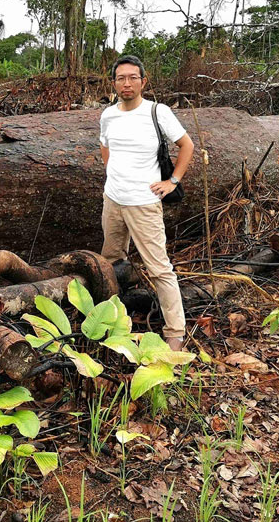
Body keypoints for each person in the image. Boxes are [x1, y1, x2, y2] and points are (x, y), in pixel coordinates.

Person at [98, 55, 194, 351]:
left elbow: (187, 146)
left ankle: (175, 332)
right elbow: (105, 147)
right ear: (113, 83)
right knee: (111, 261)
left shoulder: (157, 112)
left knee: (159, 268)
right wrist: (114, 176)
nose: (127, 83)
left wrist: (172, 181)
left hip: (144, 203)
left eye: (132, 78)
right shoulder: (108, 115)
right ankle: (113, 320)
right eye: (121, 78)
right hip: (113, 200)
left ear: (143, 81)